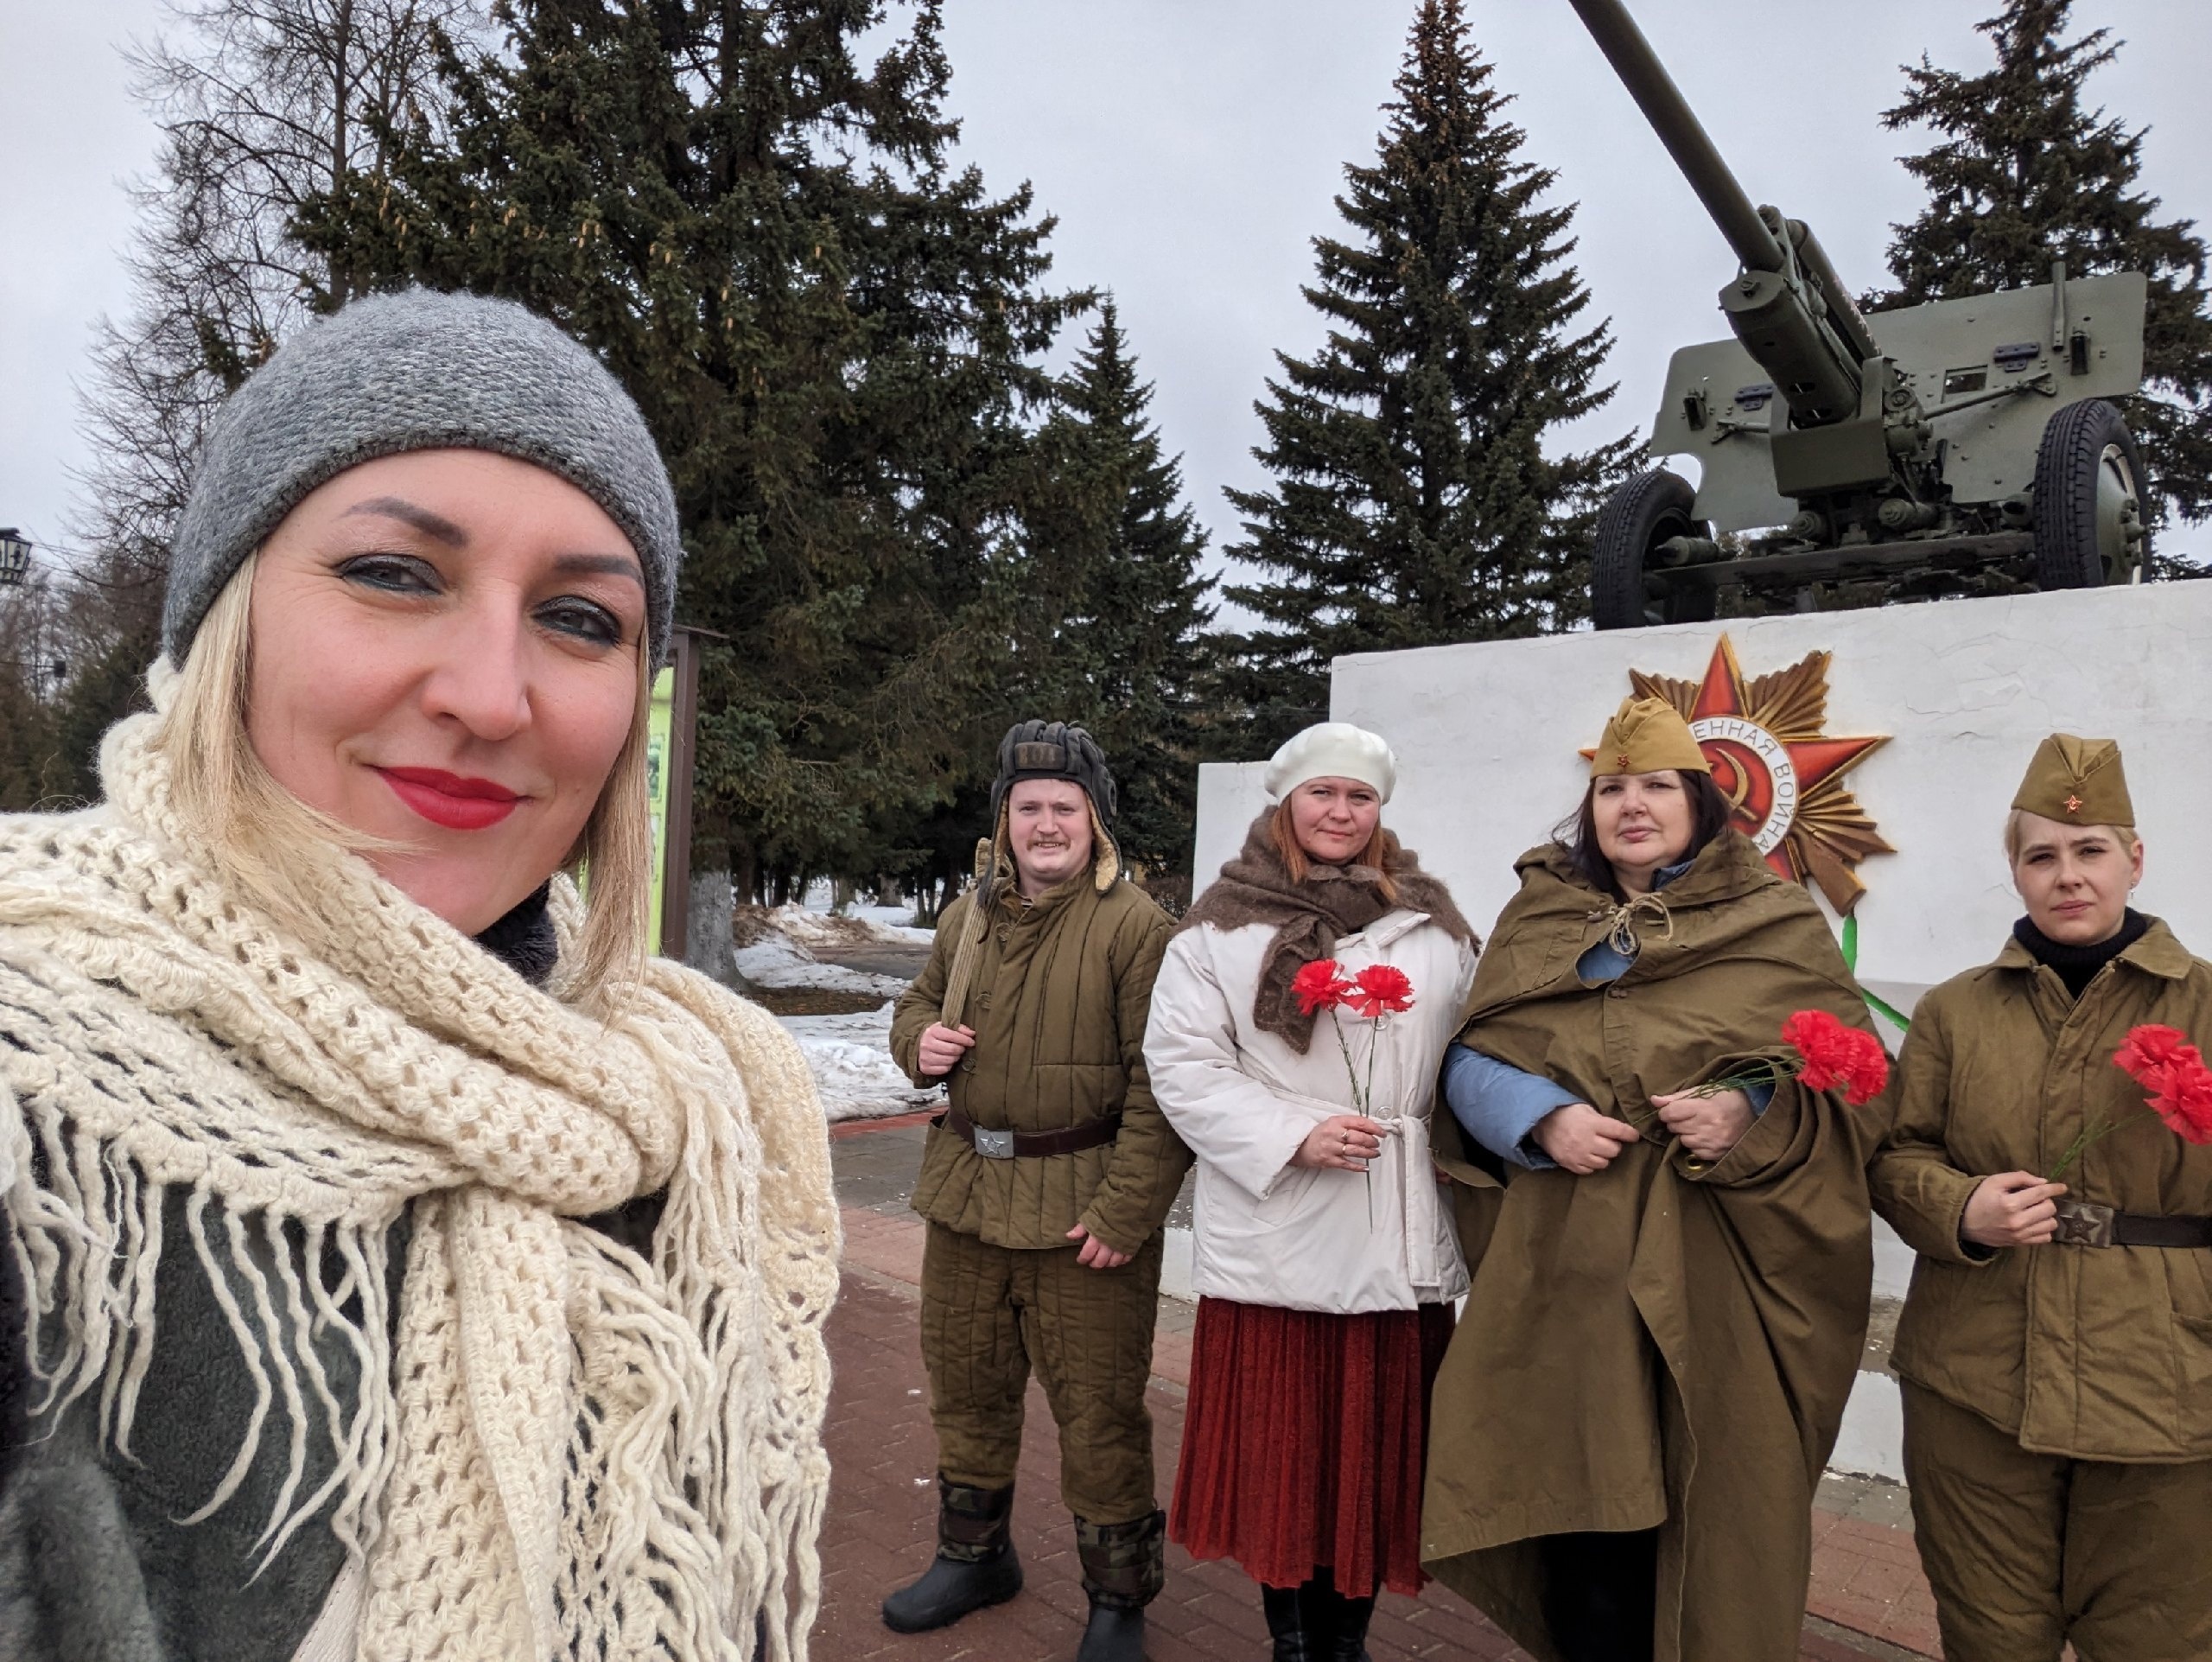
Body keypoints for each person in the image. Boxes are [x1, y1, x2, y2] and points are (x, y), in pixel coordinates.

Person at [0, 290, 839, 1662]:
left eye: (579, 617)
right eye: (395, 574)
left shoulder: (671, 1111)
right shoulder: (38, 1088)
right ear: (229, 616)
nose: (493, 694)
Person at [1421, 696, 1880, 1662]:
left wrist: (1746, 1114)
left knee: (1714, 1495)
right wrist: (1536, 1116)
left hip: (1720, 1263)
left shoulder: (1771, 918)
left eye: (1657, 786)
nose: (1632, 805)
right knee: (1587, 1508)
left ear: (1701, 803)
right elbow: (1466, 1060)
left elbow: (1852, 1080)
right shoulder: (1540, 912)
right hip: (1567, 1262)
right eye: (1611, 788)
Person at [1868, 735, 2212, 1661]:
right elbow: (1895, 1156)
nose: (2068, 877)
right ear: (2014, 871)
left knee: (2158, 1640)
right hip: (1976, 1377)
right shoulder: (1955, 1011)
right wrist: (1958, 1208)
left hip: (2168, 1379)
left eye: (2090, 850)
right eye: (2041, 856)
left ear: (2133, 859)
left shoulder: (2207, 1005)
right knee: (1989, 1637)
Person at [1144, 722, 1478, 1662]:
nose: (1340, 811)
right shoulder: (1218, 927)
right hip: (1281, 1225)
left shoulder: (1435, 925)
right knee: (1286, 1451)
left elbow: (1475, 1044)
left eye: (1359, 797)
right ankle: (1292, 1641)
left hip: (1395, 1221)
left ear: (1379, 812)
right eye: (1322, 794)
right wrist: (1294, 1133)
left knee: (1372, 1459)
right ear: (1286, 803)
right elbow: (1182, 1065)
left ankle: (1346, 1643)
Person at [882, 721, 1187, 1662]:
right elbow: (917, 1005)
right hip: (968, 1195)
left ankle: (1117, 1598)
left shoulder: (1136, 927)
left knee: (1097, 1408)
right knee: (968, 1393)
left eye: (1064, 807)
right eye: (1029, 808)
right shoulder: (965, 916)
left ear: (1092, 820)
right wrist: (918, 1043)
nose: (1045, 824)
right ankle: (974, 1557)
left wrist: (1126, 1212)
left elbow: (1165, 1085)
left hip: (1082, 1212)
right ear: (1004, 820)